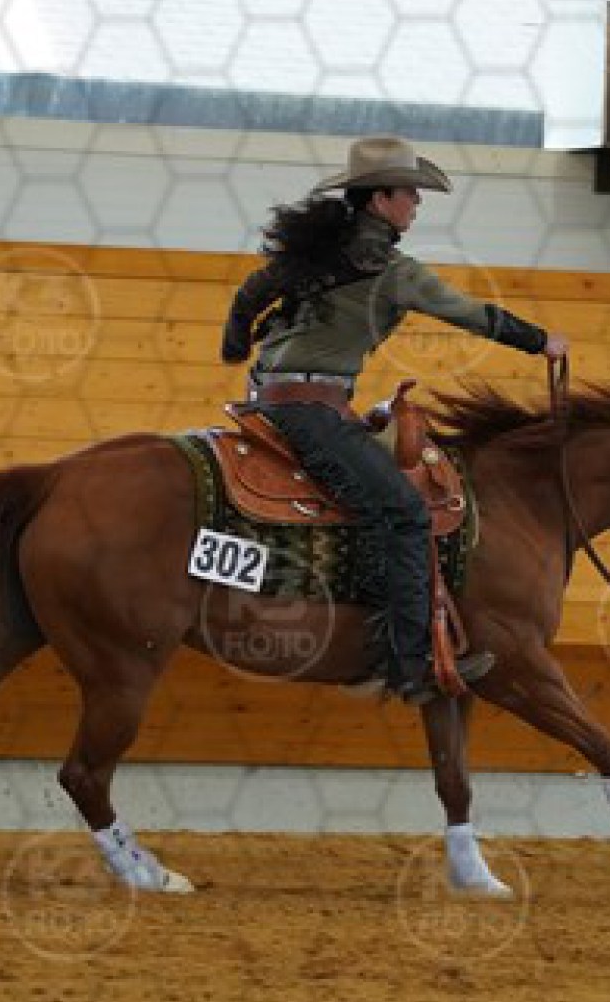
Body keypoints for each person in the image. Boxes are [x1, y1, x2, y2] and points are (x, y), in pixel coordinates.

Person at [222, 135, 571, 705]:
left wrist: (235, 346)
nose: (416, 202)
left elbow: (247, 297)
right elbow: (468, 313)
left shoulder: (312, 253)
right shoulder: (392, 270)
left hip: (271, 400)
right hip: (310, 410)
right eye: (408, 192)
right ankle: (409, 664)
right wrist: (539, 342)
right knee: (406, 513)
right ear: (379, 200)